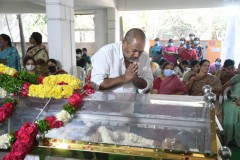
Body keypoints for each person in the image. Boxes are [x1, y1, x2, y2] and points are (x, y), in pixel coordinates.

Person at [91, 28, 153, 93]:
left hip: (131, 102)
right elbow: (96, 84)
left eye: (140, 51)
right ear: (124, 42)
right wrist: (124, 78)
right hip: (105, 102)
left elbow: (148, 84)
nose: (137, 55)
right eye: (134, 51)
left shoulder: (144, 56)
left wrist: (135, 79)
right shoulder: (106, 53)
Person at [222, 74, 240, 146]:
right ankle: (231, 139)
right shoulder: (238, 77)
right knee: (234, 110)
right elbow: (224, 87)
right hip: (233, 101)